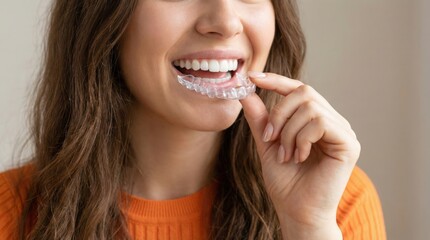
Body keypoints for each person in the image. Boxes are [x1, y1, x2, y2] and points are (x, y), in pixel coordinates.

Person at [0, 0, 386, 239]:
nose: (225, 20)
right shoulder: (9, 214)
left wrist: (308, 228)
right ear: (103, 18)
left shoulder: (336, 203)